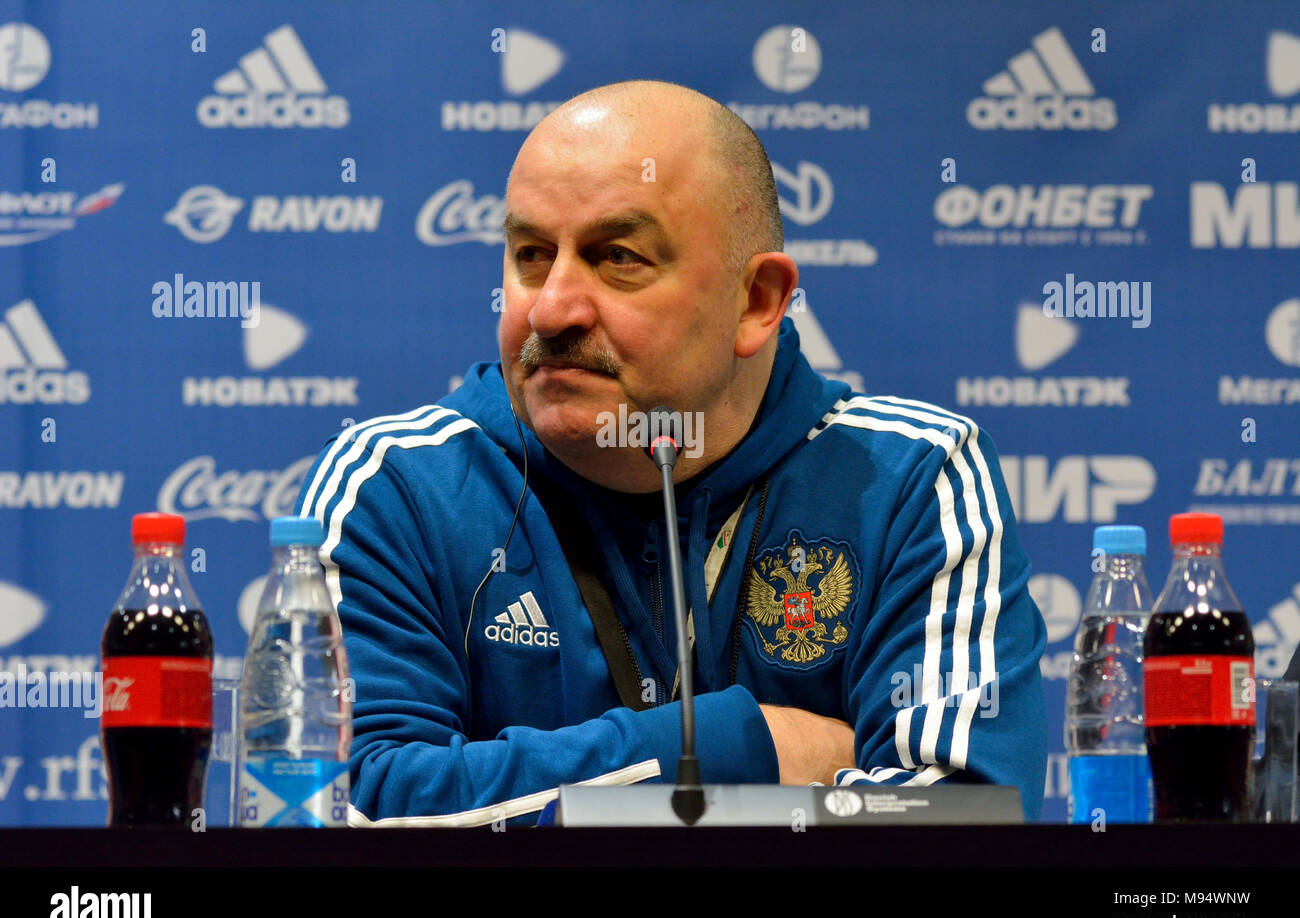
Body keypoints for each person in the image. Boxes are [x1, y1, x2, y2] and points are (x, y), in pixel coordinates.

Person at [294, 80, 1049, 826]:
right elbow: (343, 808)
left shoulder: (909, 480)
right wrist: (736, 746)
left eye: (617, 257)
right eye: (530, 254)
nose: (551, 308)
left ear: (756, 302)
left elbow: (957, 826)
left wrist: (554, 801)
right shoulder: (396, 486)